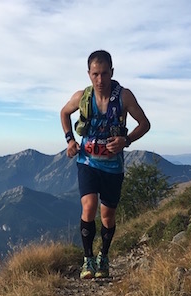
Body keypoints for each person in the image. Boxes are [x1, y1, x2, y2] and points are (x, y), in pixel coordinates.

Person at [60, 50, 151, 279]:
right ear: (89, 74)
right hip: (87, 162)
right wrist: (70, 140)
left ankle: (104, 256)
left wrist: (126, 140)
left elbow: (145, 124)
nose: (100, 80)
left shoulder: (124, 97)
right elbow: (64, 113)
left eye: (104, 74)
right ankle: (87, 259)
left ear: (112, 72)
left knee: (107, 216)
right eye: (95, 74)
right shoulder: (83, 97)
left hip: (112, 166)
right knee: (89, 207)